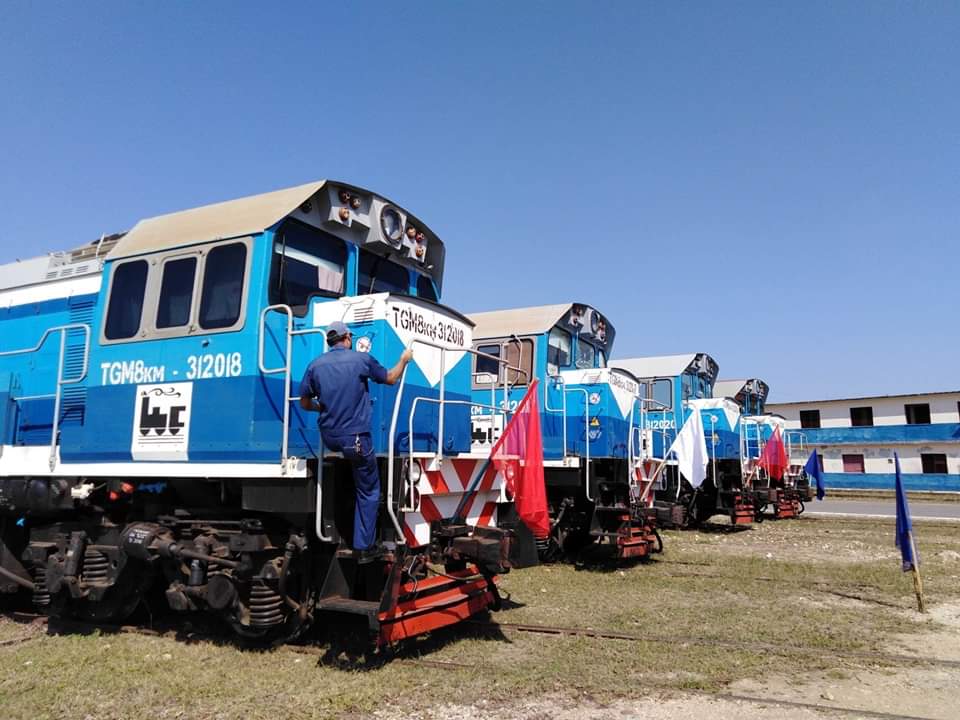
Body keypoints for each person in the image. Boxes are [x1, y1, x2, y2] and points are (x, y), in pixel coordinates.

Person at [298, 321, 413, 560]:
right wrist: (404, 359)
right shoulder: (361, 359)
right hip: (355, 438)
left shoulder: (314, 365)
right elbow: (391, 378)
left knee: (353, 469)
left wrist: (323, 408)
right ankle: (364, 547)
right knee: (369, 489)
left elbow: (305, 403)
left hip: (330, 438)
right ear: (347, 338)